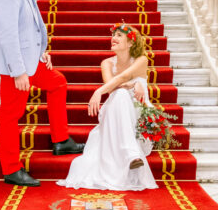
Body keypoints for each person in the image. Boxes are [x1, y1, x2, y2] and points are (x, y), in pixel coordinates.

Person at [0, 0, 84, 187]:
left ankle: (61, 141)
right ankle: (11, 169)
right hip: (16, 68)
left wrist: (42, 51)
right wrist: (19, 72)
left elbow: (27, 27)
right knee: (11, 115)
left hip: (31, 61)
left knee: (58, 82)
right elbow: (8, 34)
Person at [57, 23, 157, 191]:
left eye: (119, 35)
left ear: (131, 43)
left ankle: (130, 151)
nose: (114, 38)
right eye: (114, 35)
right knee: (120, 95)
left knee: (121, 95)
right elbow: (110, 84)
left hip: (138, 112)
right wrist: (132, 85)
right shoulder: (107, 63)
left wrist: (98, 92)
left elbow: (122, 77)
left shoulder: (141, 60)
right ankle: (132, 155)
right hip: (114, 111)